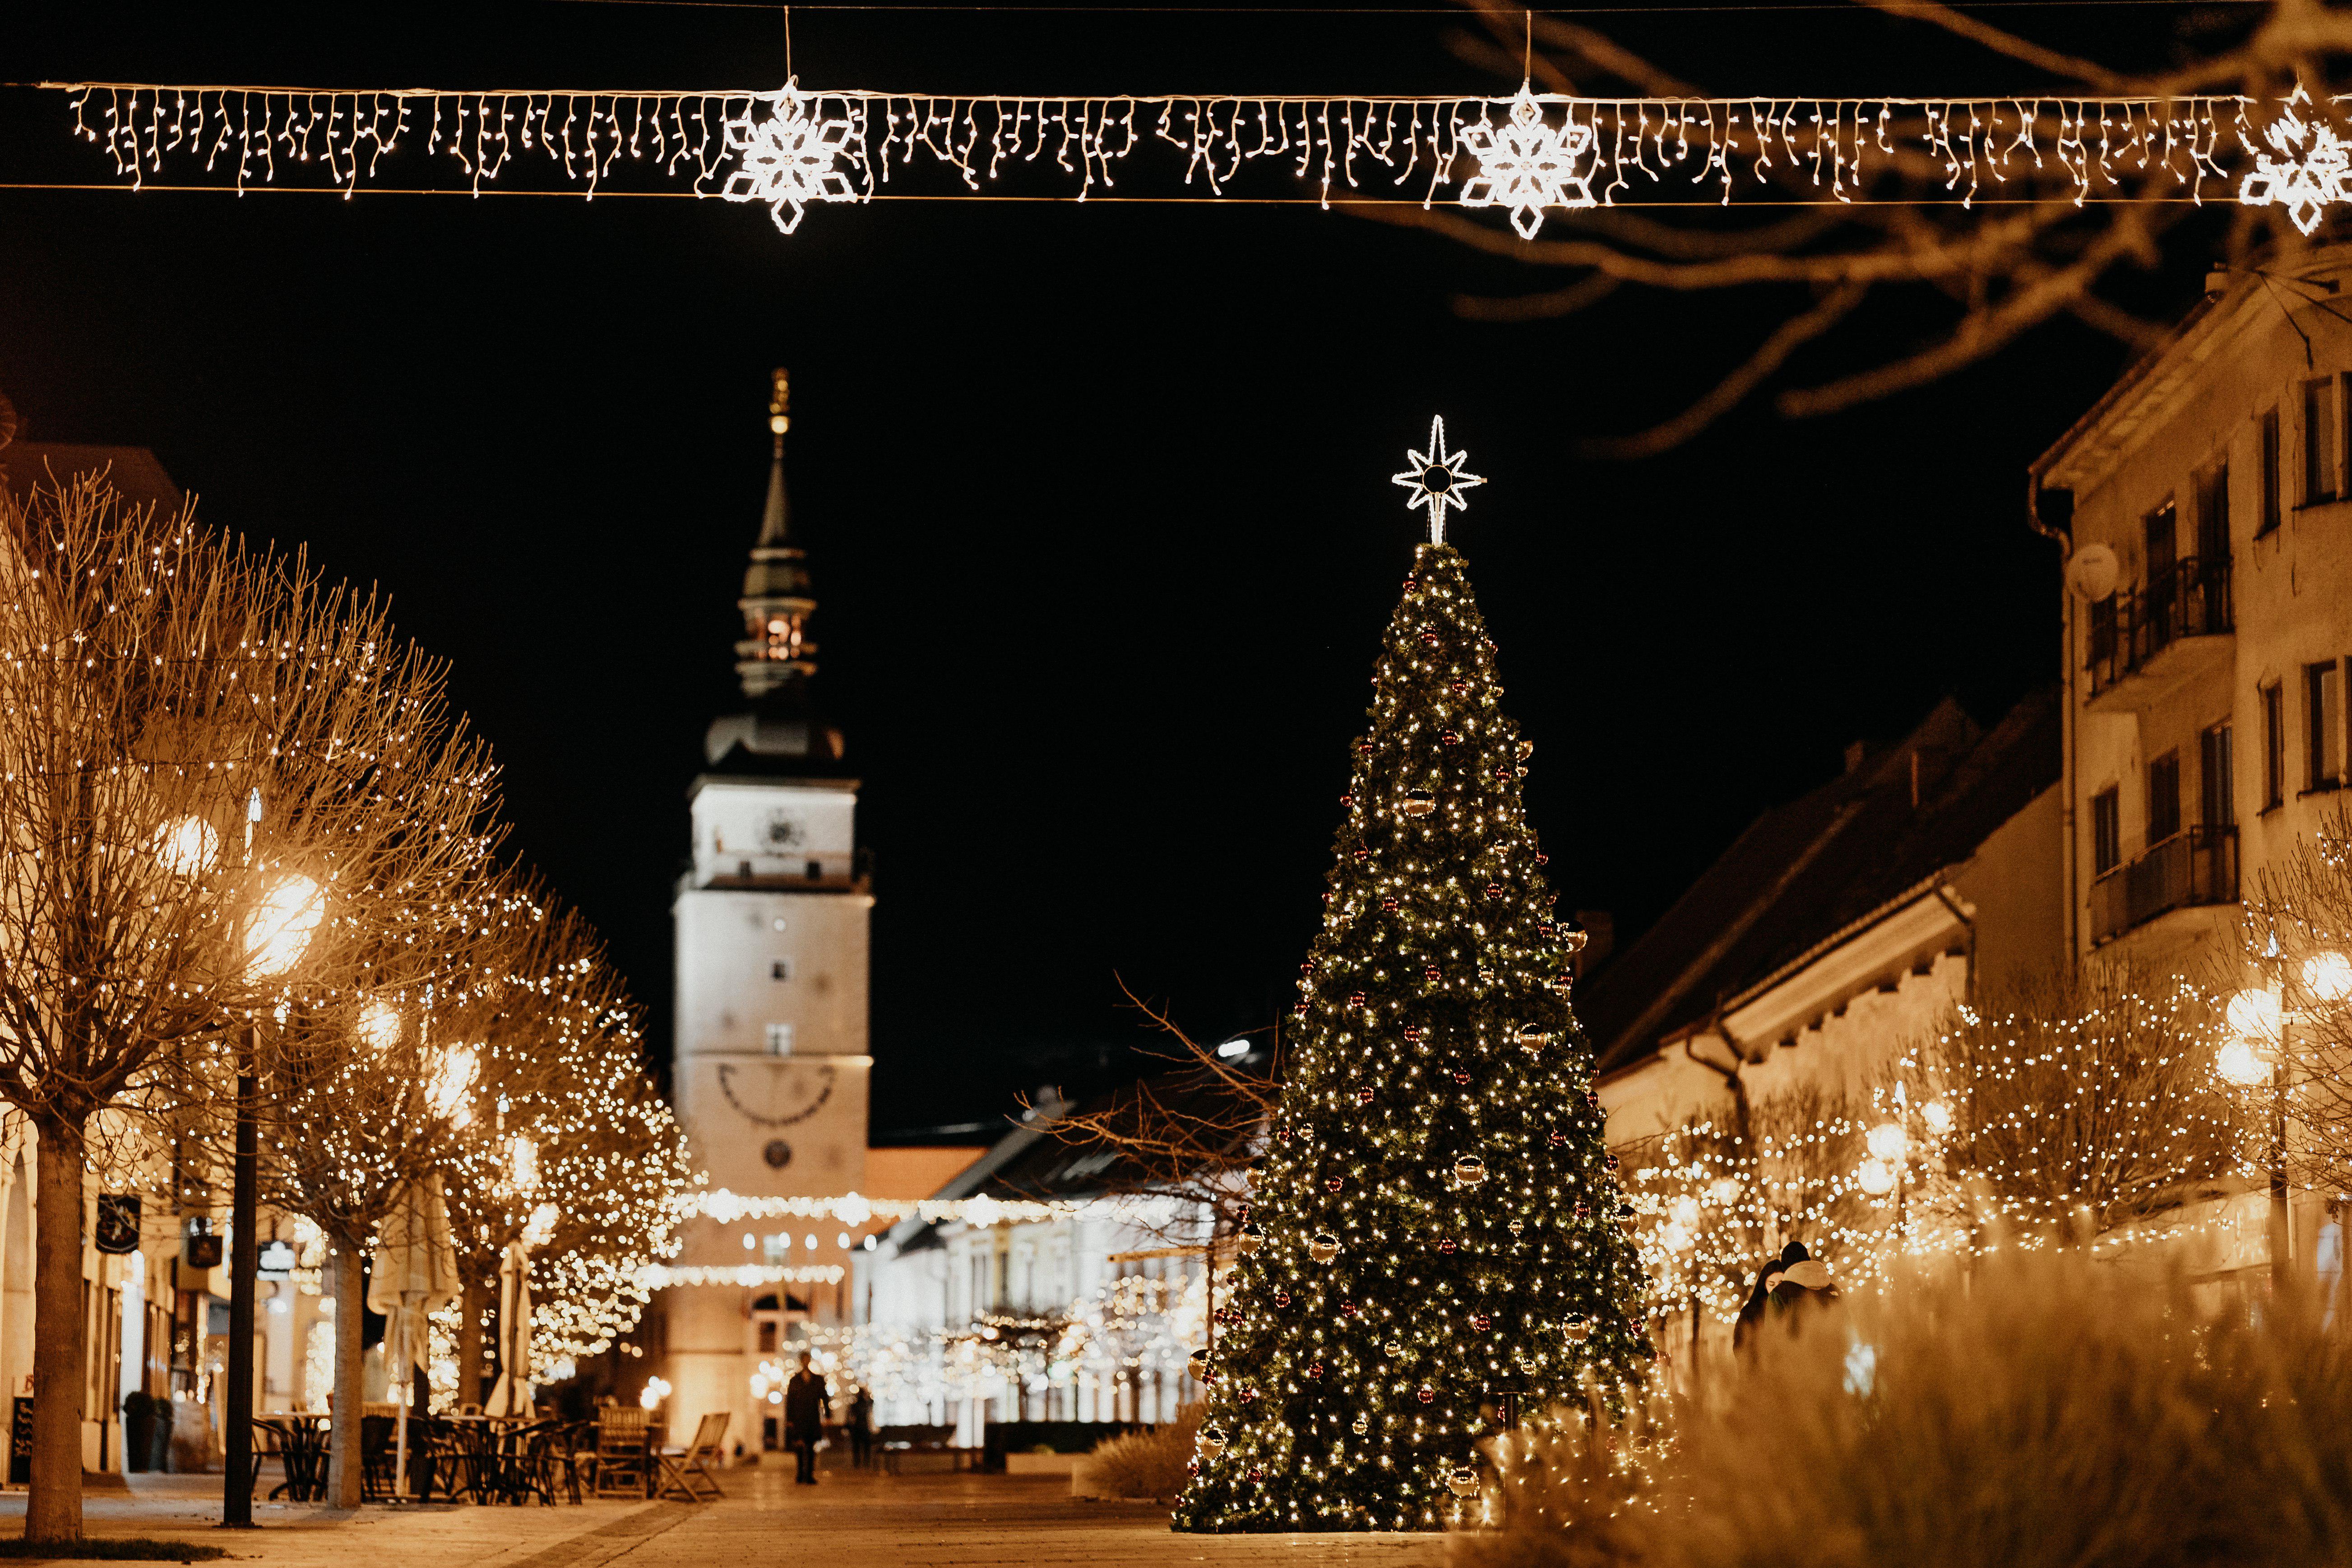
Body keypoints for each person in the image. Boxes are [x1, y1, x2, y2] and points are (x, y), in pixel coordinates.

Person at [783, 1352, 829, 1485]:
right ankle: (800, 1474)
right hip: (799, 1418)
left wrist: (828, 1415)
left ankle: (809, 1475)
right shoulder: (795, 1380)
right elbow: (790, 1401)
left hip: (812, 1418)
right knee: (799, 1447)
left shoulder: (817, 1380)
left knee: (811, 1447)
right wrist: (790, 1419)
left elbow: (824, 1398)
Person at [847, 1385, 875, 1469]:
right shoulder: (867, 1404)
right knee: (866, 1447)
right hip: (865, 1428)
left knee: (857, 1448)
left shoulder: (854, 1405)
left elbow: (851, 1417)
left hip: (857, 1428)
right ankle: (866, 1462)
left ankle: (857, 1463)